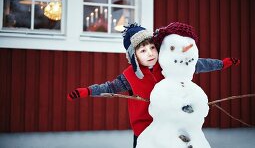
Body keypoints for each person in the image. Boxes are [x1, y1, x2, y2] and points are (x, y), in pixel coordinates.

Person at [67, 23, 240, 148]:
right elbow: (110, 88)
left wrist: (222, 64)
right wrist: (87, 91)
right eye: (143, 50)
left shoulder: (167, 64)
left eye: (152, 47)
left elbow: (196, 64)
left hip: (170, 123)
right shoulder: (130, 76)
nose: (150, 53)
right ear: (134, 56)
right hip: (143, 128)